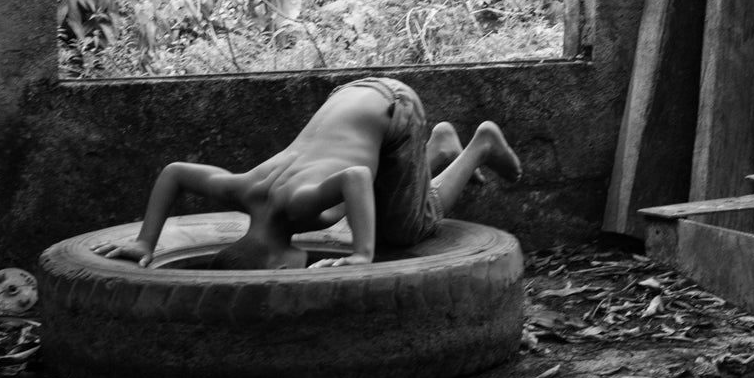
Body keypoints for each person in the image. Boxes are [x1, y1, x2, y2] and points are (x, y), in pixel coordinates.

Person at [105, 77, 522, 270]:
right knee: (371, 204)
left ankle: (480, 145)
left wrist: (362, 254)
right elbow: (175, 172)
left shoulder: (299, 206)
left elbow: (357, 176)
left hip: (396, 109)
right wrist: (146, 243)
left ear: (274, 259)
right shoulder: (244, 190)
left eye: (281, 273)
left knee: (405, 230)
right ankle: (437, 150)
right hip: (353, 95)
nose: (291, 273)